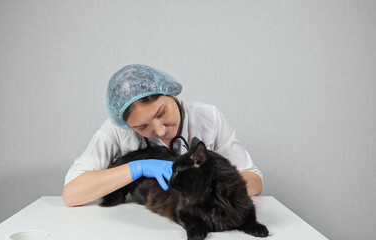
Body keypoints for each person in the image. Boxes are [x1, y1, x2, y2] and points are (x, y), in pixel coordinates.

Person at [62, 64, 263, 207]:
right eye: (142, 127)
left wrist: (208, 181)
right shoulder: (116, 130)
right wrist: (137, 168)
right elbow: (71, 194)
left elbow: (254, 181)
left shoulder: (208, 117)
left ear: (170, 93)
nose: (160, 131)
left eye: (161, 113)